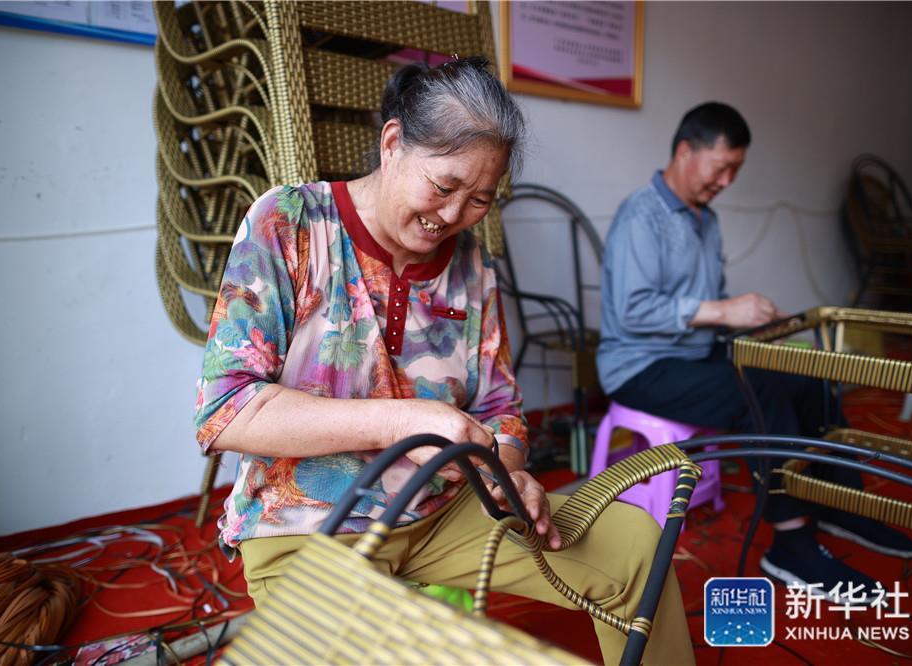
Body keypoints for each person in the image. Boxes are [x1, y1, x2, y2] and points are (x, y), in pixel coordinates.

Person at [195, 57, 694, 665]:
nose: (453, 216)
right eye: (443, 186)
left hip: (446, 508)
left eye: (480, 198)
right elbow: (226, 411)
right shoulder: (290, 222)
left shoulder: (471, 264)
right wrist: (406, 420)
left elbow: (501, 406)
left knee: (634, 545)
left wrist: (506, 471)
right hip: (308, 527)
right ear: (393, 143)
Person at [597, 102, 912, 602]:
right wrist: (726, 310)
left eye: (736, 170)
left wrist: (756, 321)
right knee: (760, 391)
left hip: (695, 355)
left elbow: (707, 308)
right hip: (640, 366)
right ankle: (790, 543)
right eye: (721, 166)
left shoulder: (707, 220)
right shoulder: (642, 215)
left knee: (808, 376)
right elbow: (633, 310)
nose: (727, 181)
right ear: (685, 151)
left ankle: (840, 503)